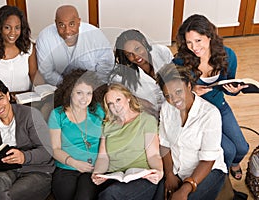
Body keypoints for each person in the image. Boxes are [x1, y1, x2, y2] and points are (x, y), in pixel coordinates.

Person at [173, 14, 249, 180]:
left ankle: (235, 163)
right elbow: (172, 91)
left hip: (219, 105)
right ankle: (224, 175)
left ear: (209, 36)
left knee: (242, 148)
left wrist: (233, 91)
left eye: (198, 40)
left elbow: (227, 86)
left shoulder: (228, 55)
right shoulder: (180, 61)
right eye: (189, 42)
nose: (194, 47)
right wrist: (191, 91)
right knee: (228, 150)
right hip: (198, 112)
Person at [0, 78, 55, 200]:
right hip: (5, 172)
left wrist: (24, 157)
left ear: (8, 96)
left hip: (37, 172)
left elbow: (47, 151)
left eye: (0, 98)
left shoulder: (30, 115)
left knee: (9, 195)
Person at [156, 63, 227, 200]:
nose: (174, 99)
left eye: (178, 92)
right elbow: (164, 144)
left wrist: (186, 188)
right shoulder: (166, 108)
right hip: (176, 170)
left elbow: (208, 160)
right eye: (168, 95)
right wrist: (169, 174)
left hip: (207, 172)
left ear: (189, 85)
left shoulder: (210, 114)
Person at [91, 83, 164, 200]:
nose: (116, 106)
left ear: (128, 98)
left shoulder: (146, 120)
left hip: (141, 176)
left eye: (118, 100)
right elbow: (103, 157)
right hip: (114, 176)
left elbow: (153, 154)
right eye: (111, 103)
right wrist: (98, 173)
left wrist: (159, 172)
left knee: (111, 194)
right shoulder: (108, 125)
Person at [48, 69, 105, 200]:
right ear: (69, 92)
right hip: (66, 167)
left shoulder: (98, 111)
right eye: (79, 93)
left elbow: (106, 140)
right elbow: (55, 149)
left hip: (92, 168)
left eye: (88, 93)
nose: (84, 99)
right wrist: (75, 163)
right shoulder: (57, 115)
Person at [36, 5, 114, 86]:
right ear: (56, 23)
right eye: (62, 25)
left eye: (71, 24)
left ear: (79, 22)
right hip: (60, 87)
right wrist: (69, 86)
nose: (67, 31)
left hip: (94, 85)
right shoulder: (44, 38)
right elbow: (46, 72)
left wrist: (91, 86)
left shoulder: (95, 35)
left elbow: (106, 65)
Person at [0, 5, 43, 93]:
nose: (13, 33)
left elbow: (34, 75)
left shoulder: (28, 46)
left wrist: (43, 92)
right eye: (7, 27)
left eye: (17, 28)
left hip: (25, 97)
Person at [110, 29, 173, 117]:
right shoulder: (120, 76)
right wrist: (135, 100)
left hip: (173, 106)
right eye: (129, 54)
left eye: (137, 49)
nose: (136, 56)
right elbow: (114, 93)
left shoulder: (162, 52)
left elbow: (177, 75)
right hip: (149, 115)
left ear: (143, 42)